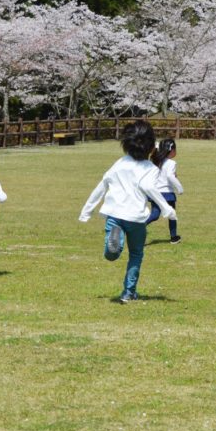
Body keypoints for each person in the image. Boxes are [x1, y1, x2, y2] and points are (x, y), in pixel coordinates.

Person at [79, 120, 176, 303]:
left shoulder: (120, 163)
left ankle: (113, 245)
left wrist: (87, 211)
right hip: (136, 217)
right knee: (136, 254)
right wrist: (167, 209)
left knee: (112, 253)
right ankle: (128, 292)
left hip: (114, 214)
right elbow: (151, 189)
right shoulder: (150, 169)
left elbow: (102, 185)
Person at [145, 138, 183, 243]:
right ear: (172, 150)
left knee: (154, 215)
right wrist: (179, 188)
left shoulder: (155, 161)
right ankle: (174, 237)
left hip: (155, 193)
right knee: (172, 215)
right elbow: (170, 176)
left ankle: (138, 227)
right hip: (167, 194)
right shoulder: (171, 163)